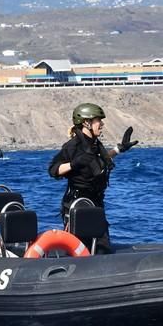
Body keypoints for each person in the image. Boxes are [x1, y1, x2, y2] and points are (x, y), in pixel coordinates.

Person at [48, 102, 138, 253]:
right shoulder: (73, 146)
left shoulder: (94, 144)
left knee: (102, 247)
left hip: (96, 204)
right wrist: (74, 163)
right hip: (78, 206)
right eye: (98, 120)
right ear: (86, 122)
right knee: (83, 249)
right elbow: (53, 170)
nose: (102, 124)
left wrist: (119, 149)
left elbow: (98, 161)